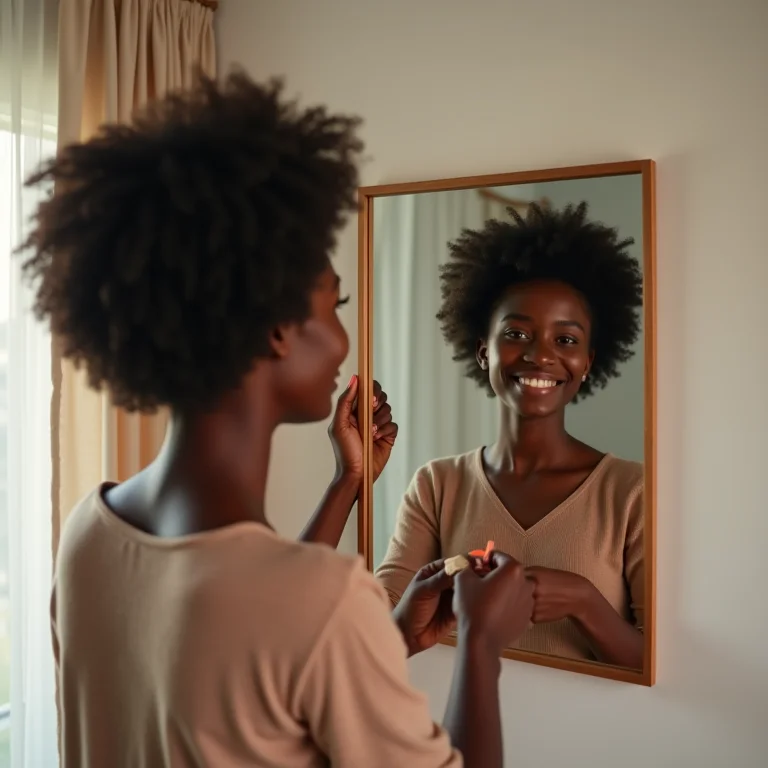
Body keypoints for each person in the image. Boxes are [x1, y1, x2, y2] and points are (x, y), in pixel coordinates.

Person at [20, 71, 535, 768]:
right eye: (334, 305)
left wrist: (347, 487)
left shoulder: (90, 533)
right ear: (276, 330)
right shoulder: (318, 601)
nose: (344, 339)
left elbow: (242, 645)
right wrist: (480, 643)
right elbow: (280, 615)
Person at [375, 202, 646, 669]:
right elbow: (374, 632)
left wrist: (584, 601)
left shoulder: (631, 492)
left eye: (565, 340)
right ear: (484, 352)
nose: (540, 356)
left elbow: (661, 666)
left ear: (589, 362)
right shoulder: (436, 486)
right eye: (517, 334)